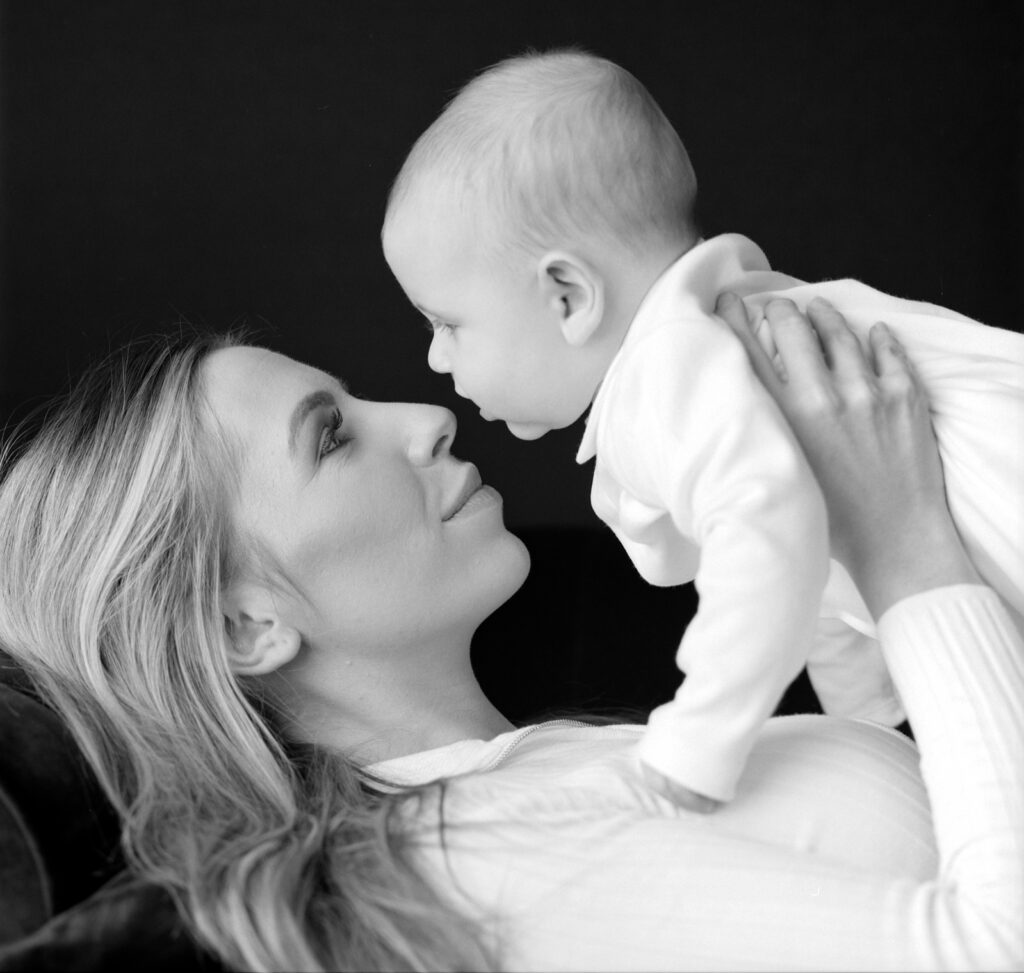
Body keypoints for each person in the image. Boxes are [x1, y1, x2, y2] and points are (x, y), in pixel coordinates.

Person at [0, 293, 1020, 972]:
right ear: (243, 622)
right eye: (332, 435)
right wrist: (905, 547)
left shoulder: (533, 785)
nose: (423, 415)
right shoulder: (472, 854)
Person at [380, 48, 1024, 811]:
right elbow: (813, 557)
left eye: (448, 323)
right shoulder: (731, 337)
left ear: (566, 296)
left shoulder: (663, 373)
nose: (433, 356)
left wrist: (695, 744)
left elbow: (768, 531)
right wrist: (878, 714)